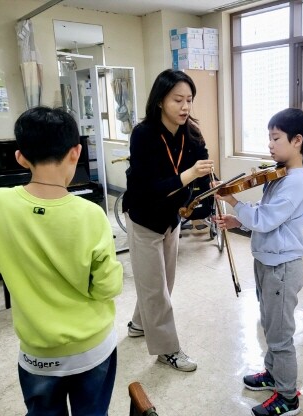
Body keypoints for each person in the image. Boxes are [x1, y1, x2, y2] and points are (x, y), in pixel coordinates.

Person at [0, 106, 123, 415]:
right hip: (90, 349)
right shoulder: (90, 215)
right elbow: (107, 287)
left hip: (36, 353)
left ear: (20, 157)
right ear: (76, 152)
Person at [215, 108, 303, 416]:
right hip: (268, 261)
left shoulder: (296, 181)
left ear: (297, 141)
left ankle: (288, 396)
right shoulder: (279, 175)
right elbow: (264, 212)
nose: (270, 145)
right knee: (270, 324)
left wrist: (232, 200)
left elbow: (267, 219)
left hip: (282, 267)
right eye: (269, 138)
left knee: (280, 332)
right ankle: (273, 374)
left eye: (276, 138)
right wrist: (238, 220)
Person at [122, 69, 214, 372]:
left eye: (189, 100)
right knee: (155, 288)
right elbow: (149, 189)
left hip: (171, 219)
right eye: (178, 99)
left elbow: (203, 173)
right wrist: (189, 174)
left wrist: (211, 188)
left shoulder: (191, 134)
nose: (185, 106)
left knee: (163, 283)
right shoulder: (144, 134)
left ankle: (138, 323)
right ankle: (167, 349)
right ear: (161, 100)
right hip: (144, 218)